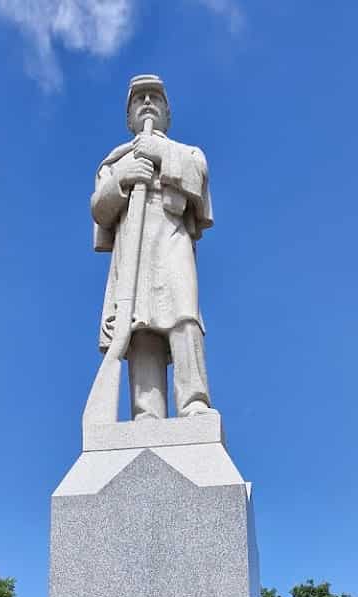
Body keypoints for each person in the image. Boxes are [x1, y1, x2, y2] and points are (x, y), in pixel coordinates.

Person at [91, 74, 214, 419]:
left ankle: (193, 402)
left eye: (154, 97)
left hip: (172, 240)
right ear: (129, 117)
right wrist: (123, 178)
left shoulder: (187, 152)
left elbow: (198, 175)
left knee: (184, 316)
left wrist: (160, 153)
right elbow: (99, 208)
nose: (147, 103)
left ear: (167, 113)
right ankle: (148, 413)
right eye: (139, 99)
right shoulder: (115, 162)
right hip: (132, 250)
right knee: (139, 328)